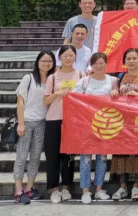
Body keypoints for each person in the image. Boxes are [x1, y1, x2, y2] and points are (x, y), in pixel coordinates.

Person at [110, 48, 138, 201]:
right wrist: (114, 93)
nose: (131, 61)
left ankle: (136, 186)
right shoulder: (120, 77)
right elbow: (114, 93)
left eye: (134, 58)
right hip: (121, 120)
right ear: (124, 61)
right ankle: (122, 186)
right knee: (120, 153)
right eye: (128, 58)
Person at [73, 53, 117, 204]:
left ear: (106, 64)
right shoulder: (84, 81)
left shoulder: (112, 81)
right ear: (91, 65)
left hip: (105, 125)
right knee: (85, 158)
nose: (98, 66)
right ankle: (85, 190)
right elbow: (74, 100)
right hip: (86, 125)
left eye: (101, 63)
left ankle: (99, 189)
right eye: (95, 63)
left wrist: (115, 93)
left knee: (102, 158)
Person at [13, 51, 56, 204]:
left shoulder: (52, 80)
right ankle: (18, 190)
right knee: (21, 156)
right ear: (37, 62)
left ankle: (29, 188)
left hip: (42, 122)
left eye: (49, 61)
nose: (46, 63)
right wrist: (21, 123)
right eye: (43, 60)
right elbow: (20, 101)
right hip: (27, 121)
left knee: (36, 157)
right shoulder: (29, 78)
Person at [43, 45, 84, 203]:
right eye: (65, 55)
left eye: (71, 55)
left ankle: (66, 187)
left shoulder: (81, 75)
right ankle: (54, 189)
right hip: (54, 119)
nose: (68, 58)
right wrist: (56, 94)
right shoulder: (53, 77)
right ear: (60, 57)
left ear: (75, 57)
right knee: (52, 156)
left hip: (73, 121)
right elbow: (45, 100)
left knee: (69, 156)